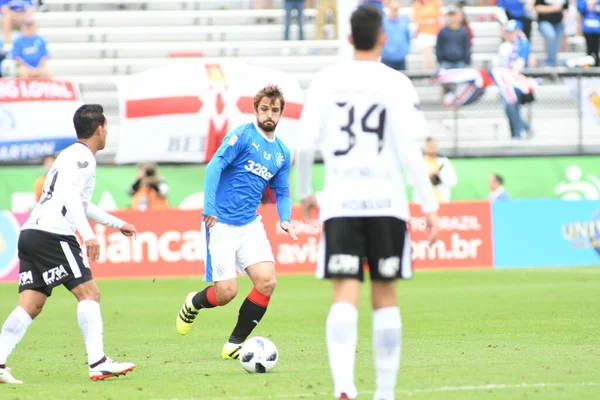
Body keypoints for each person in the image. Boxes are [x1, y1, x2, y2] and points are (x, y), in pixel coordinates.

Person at [295, 6, 440, 400]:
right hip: (387, 203)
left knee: (345, 291)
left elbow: (305, 143)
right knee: (385, 295)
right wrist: (429, 204)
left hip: (341, 202)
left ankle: (344, 387)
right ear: (382, 38)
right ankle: (386, 393)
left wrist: (305, 191)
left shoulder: (326, 80)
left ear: (347, 38)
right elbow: (410, 150)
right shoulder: (397, 82)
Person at [0, 104, 137, 385]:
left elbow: (81, 203)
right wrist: (87, 235)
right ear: (100, 129)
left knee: (31, 303)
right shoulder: (83, 157)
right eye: (106, 128)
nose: (106, 133)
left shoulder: (69, 155)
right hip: (53, 235)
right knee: (90, 294)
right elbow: (70, 196)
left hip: (31, 233)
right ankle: (98, 362)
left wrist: (117, 223)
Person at [175, 85, 298, 360]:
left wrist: (286, 218)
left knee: (267, 282)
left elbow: (282, 190)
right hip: (220, 223)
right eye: (264, 109)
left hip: (250, 225)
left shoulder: (282, 153)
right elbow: (214, 166)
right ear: (256, 110)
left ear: (280, 114)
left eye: (274, 110)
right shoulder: (242, 135)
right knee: (226, 293)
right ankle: (193, 303)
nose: (269, 114)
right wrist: (209, 207)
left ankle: (234, 343)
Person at [435, 5, 471, 70]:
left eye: (453, 15)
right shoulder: (442, 31)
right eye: (450, 15)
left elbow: (466, 47)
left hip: (460, 62)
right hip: (445, 62)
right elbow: (439, 47)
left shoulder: (463, 31)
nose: (452, 18)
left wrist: (466, 61)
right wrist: (440, 60)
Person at [382, 0, 411, 71]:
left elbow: (408, 37)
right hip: (387, 59)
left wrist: (405, 50)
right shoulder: (383, 22)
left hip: (401, 58)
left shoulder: (404, 21)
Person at [578, 0, 600, 67]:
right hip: (587, 28)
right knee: (589, 48)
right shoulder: (583, 1)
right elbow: (580, 9)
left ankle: (596, 64)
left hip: (597, 28)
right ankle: (588, 64)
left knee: (596, 48)